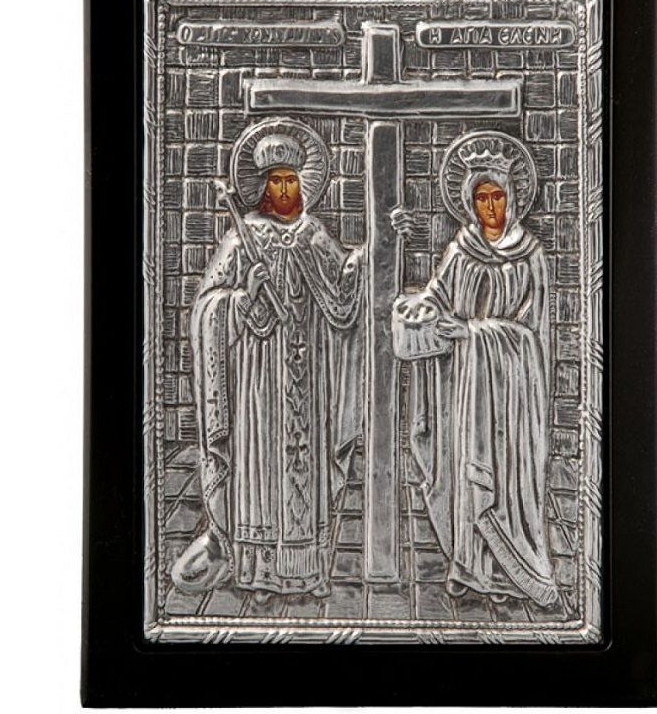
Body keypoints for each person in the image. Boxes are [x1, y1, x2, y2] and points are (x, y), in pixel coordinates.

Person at [172, 125, 364, 602]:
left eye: (291, 181)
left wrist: (369, 257)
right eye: (275, 181)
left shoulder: (314, 234)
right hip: (258, 385)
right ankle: (260, 576)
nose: (283, 190)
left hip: (308, 377)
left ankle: (309, 573)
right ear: (262, 186)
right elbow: (207, 309)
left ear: (304, 184)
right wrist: (243, 297)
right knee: (261, 472)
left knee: (306, 475)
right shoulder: (243, 239)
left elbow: (343, 295)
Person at [392, 140, 559, 608]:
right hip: (465, 387)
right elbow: (437, 296)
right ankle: (467, 566)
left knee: (502, 477)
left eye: (497, 196)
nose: (490, 207)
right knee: (465, 470)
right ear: (469, 201)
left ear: (512, 197)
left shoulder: (529, 255)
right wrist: (418, 305)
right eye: (482, 197)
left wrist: (473, 332)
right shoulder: (461, 250)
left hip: (510, 394)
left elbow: (533, 336)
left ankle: (508, 574)